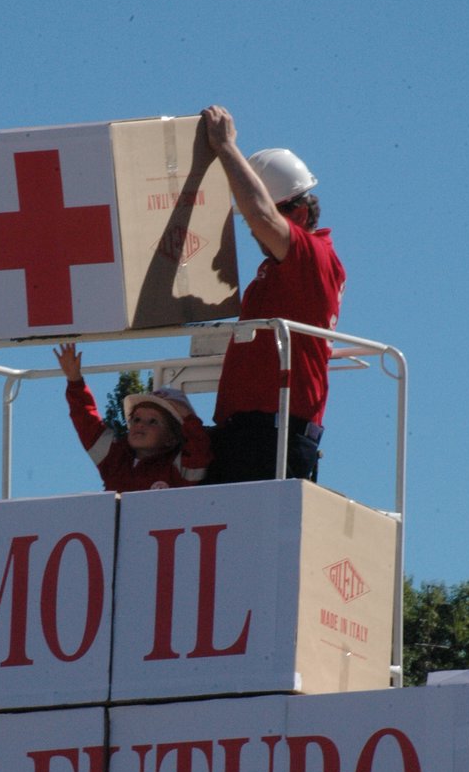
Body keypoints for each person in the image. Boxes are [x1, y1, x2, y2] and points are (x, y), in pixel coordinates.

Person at [201, 104, 346, 483]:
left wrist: (226, 147)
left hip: (272, 435)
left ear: (294, 213)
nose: (252, 230)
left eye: (255, 220)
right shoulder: (288, 269)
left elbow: (261, 217)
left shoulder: (311, 257)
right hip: (253, 432)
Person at [54, 342, 211, 492]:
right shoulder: (114, 459)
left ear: (172, 438)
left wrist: (188, 418)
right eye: (136, 419)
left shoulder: (179, 467)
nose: (140, 425)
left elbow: (199, 448)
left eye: (153, 421)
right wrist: (75, 380)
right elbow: (86, 422)